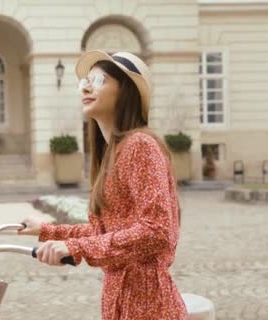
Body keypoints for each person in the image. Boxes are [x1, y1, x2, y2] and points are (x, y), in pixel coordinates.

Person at [18, 50, 187, 319]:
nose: (85, 85)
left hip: (148, 305)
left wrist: (74, 248)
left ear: (125, 91)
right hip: (119, 300)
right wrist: (49, 231)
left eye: (98, 80)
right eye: (85, 80)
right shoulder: (113, 153)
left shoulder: (140, 145)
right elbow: (105, 231)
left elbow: (157, 230)